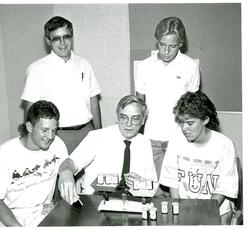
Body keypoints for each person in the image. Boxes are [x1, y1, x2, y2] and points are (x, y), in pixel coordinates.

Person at [21, 16, 102, 154]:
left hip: (87, 133)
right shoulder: (37, 68)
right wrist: (30, 143)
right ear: (48, 41)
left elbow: (94, 101)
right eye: (56, 38)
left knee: (91, 176)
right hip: (56, 136)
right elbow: (30, 110)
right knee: (59, 175)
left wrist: (99, 134)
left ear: (72, 37)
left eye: (66, 37)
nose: (63, 43)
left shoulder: (84, 64)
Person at [58, 95, 158, 204]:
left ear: (143, 120)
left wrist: (139, 183)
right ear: (118, 117)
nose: (129, 124)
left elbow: (152, 187)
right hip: (97, 204)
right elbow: (70, 163)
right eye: (124, 117)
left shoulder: (145, 143)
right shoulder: (96, 137)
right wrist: (66, 172)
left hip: (133, 204)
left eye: (135, 118)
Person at [159, 91, 238, 225]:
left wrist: (204, 213)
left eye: (190, 123)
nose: (184, 128)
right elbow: (173, 183)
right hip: (185, 209)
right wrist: (180, 212)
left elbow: (224, 188)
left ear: (205, 120)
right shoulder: (176, 141)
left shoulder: (225, 144)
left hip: (216, 209)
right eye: (182, 122)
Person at [135, 16, 200, 178]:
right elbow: (138, 106)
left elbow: (194, 107)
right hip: (151, 139)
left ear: (181, 44)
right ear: (156, 40)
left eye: (172, 46)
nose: (166, 51)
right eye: (162, 45)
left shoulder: (191, 66)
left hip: (180, 138)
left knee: (179, 191)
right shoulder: (144, 66)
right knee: (153, 190)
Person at [0, 101, 68, 226]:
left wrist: (54, 204)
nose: (50, 136)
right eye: (45, 130)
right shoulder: (3, 154)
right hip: (9, 216)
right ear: (29, 127)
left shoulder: (58, 144)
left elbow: (61, 176)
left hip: (41, 214)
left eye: (54, 130)